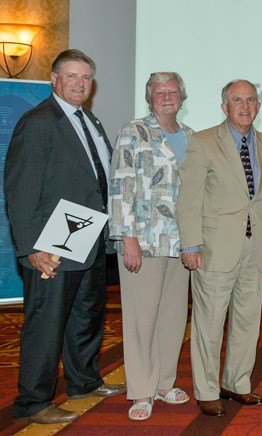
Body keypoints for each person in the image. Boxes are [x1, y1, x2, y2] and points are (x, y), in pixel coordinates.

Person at [4, 49, 126, 424]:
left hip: (88, 238)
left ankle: (83, 381)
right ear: (54, 79)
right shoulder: (38, 121)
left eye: (86, 78)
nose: (79, 83)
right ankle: (33, 402)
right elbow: (20, 187)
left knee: (86, 316)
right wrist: (32, 247)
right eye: (71, 76)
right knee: (46, 322)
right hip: (53, 244)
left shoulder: (91, 120)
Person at [177, 80, 262, 417]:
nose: (245, 106)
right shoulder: (203, 142)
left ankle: (238, 383)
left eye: (251, 100)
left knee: (248, 322)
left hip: (258, 249)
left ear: (258, 106)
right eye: (237, 100)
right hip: (214, 250)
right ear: (224, 106)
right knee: (208, 325)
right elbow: (188, 200)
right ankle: (206, 390)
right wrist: (190, 245)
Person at [108, 72, 193, 421]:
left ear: (183, 97)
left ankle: (164, 383)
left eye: (173, 91)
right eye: (160, 92)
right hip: (143, 240)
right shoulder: (133, 131)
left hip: (181, 242)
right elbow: (120, 186)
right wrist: (127, 238)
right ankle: (142, 391)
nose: (167, 96)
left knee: (173, 317)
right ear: (150, 97)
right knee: (142, 317)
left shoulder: (189, 135)